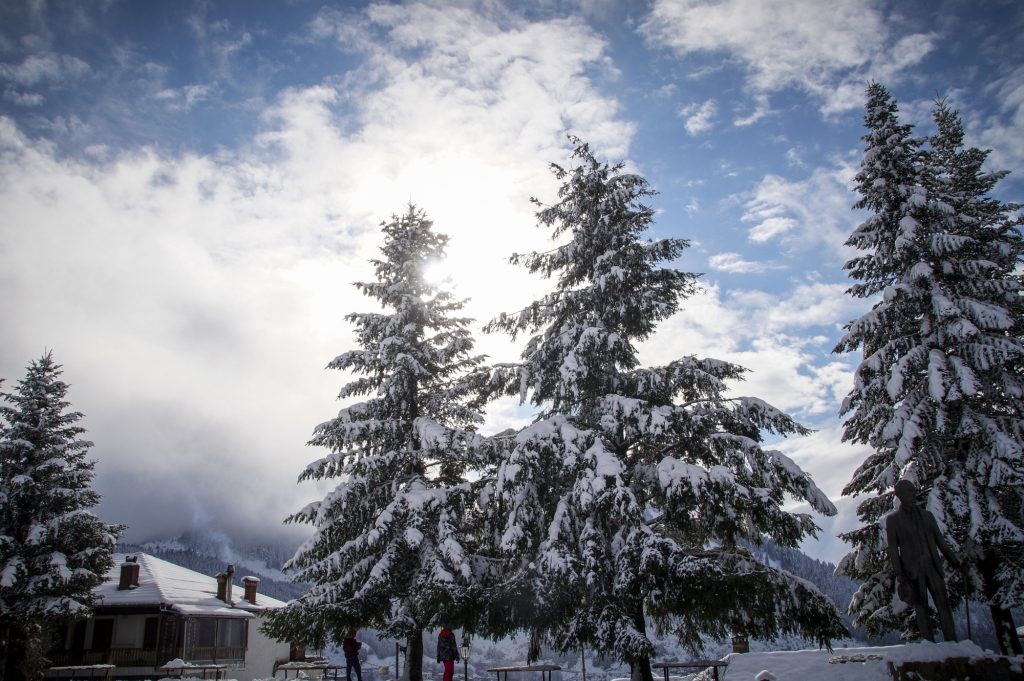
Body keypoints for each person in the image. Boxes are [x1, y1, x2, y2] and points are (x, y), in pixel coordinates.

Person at [886, 479, 960, 642]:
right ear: (900, 496)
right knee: (921, 609)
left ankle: (952, 642)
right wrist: (900, 574)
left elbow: (941, 542)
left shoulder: (928, 516)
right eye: (908, 492)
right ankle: (929, 644)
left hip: (933, 568)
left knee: (944, 607)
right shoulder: (893, 520)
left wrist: (955, 561)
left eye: (913, 491)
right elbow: (893, 549)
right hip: (912, 571)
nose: (913, 495)